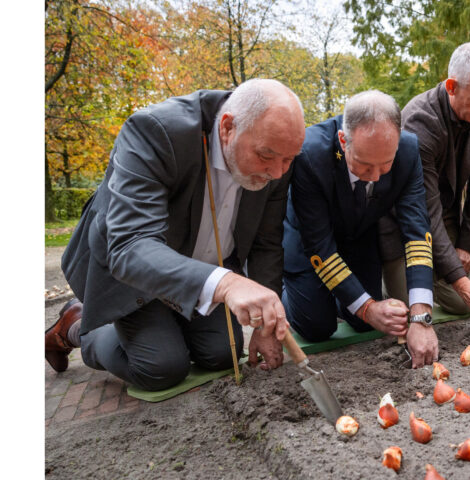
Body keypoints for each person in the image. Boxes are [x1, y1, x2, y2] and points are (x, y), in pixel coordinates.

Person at [46, 79, 306, 391]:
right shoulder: (155, 131)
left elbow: (266, 242)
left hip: (202, 275)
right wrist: (227, 283)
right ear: (227, 128)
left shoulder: (276, 150)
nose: (277, 172)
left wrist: (266, 322)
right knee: (161, 367)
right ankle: (76, 326)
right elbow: (129, 244)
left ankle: (165, 327)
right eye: (266, 156)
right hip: (133, 277)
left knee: (224, 353)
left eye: (288, 160)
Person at [282, 90, 438, 368]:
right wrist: (367, 306)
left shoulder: (408, 150)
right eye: (365, 165)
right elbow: (319, 245)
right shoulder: (310, 155)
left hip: (358, 236)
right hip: (310, 244)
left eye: (386, 164)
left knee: (366, 324)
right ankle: (288, 292)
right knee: (317, 326)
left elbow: (417, 232)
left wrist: (421, 315)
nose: (376, 177)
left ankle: (347, 301)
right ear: (344, 141)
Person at [380, 41, 470, 321]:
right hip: (403, 222)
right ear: (452, 87)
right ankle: (391, 279)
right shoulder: (418, 123)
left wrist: (465, 247)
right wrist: (460, 280)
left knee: (462, 305)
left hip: (444, 216)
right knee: (408, 309)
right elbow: (425, 210)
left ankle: (436, 271)